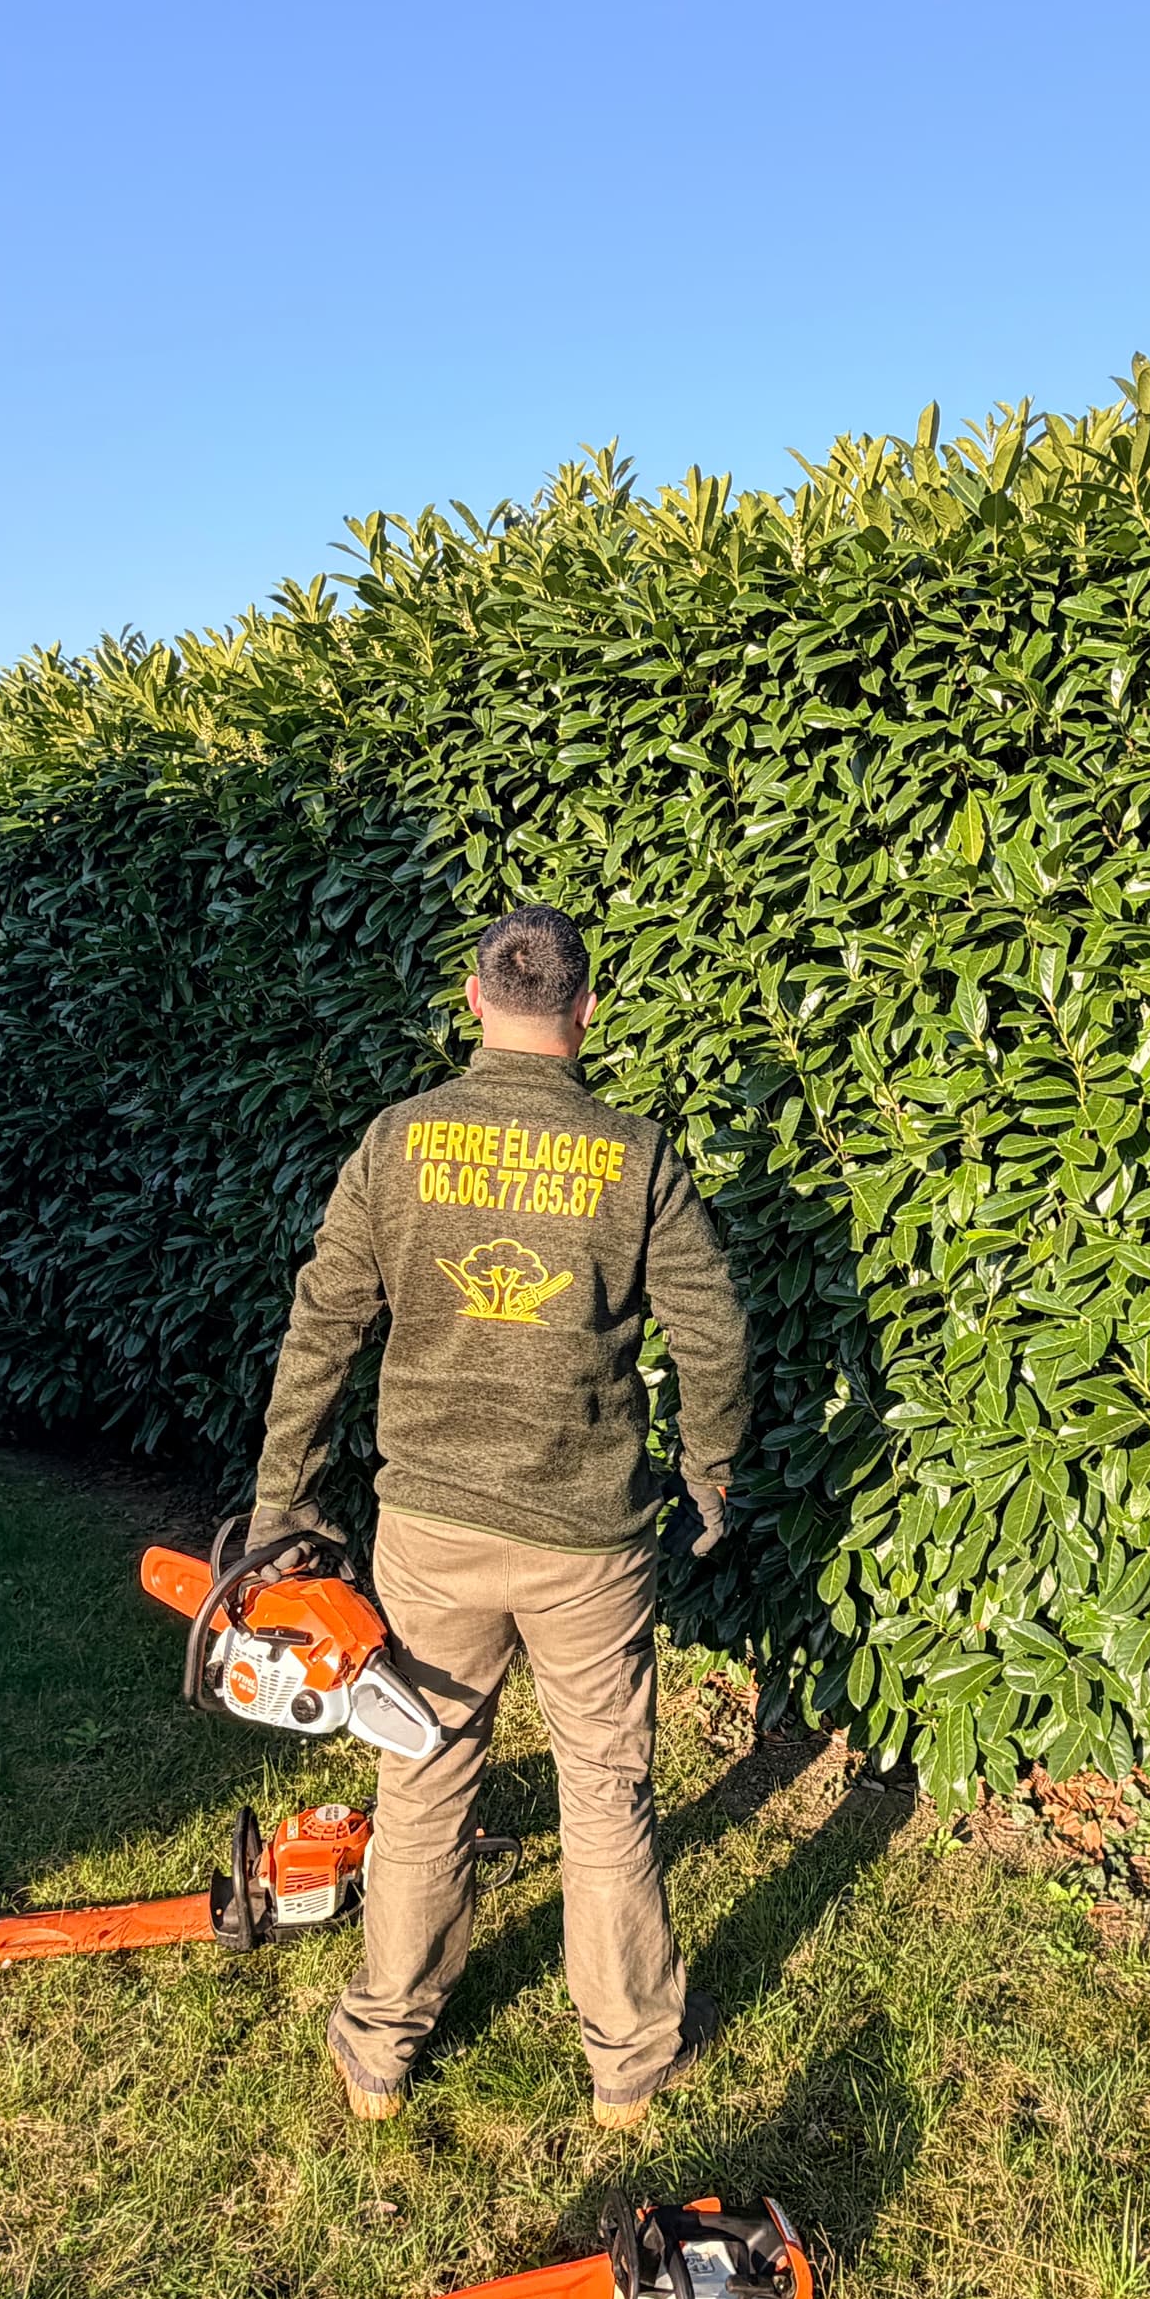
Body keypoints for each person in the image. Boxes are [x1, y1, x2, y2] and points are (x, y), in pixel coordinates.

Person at [244, 902, 747, 2128]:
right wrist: (712, 1477)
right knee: (605, 1792)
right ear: (587, 1009)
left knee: (423, 1781)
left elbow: (321, 1333)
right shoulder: (635, 1157)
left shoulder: (399, 1141)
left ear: (474, 1001)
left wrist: (283, 1509)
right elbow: (716, 1333)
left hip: (432, 1534)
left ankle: (379, 2052)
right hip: (590, 1544)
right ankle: (628, 2068)